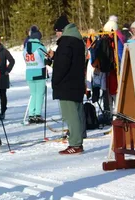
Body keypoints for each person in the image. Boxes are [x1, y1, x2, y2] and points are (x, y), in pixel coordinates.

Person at [51, 15, 86, 155]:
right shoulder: (77, 40)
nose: (56, 34)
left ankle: (76, 144)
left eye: (57, 32)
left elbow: (63, 65)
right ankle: (77, 139)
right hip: (76, 82)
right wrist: (55, 57)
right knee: (77, 113)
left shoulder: (66, 42)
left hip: (66, 84)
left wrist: (55, 81)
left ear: (62, 30)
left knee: (70, 115)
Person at [23, 27, 49, 124]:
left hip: (29, 73)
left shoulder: (26, 47)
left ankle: (31, 114)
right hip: (39, 72)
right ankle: (37, 114)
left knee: (33, 94)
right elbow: (46, 59)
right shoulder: (40, 47)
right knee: (40, 94)